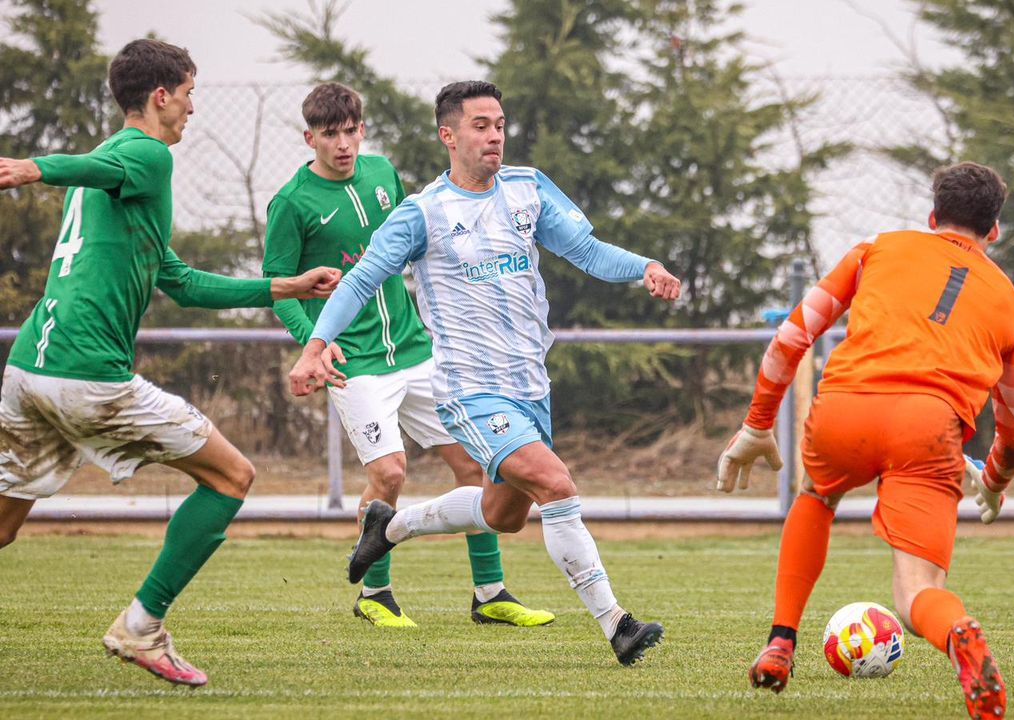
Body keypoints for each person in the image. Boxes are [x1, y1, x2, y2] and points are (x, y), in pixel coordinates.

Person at [288, 80, 682, 666]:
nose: (494, 135)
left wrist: (644, 266)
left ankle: (389, 527)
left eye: (499, 123)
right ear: (448, 135)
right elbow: (362, 278)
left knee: (504, 514)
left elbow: (589, 251)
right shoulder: (422, 213)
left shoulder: (527, 189)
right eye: (480, 125)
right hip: (469, 390)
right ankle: (617, 624)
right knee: (556, 486)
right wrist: (315, 344)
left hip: (530, 386)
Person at [0, 39, 341, 687]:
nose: (192, 107)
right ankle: (140, 628)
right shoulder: (145, 154)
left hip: (29, 369)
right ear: (161, 97)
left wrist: (283, 287)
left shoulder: (113, 160)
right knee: (231, 476)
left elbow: (178, 281)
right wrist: (34, 168)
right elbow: (108, 166)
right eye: (189, 93)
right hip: (84, 374)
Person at [717, 162, 1014, 719]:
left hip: (845, 409)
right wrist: (993, 480)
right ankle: (958, 631)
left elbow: (792, 336)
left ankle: (781, 642)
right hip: (931, 429)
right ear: (995, 231)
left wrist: (757, 423)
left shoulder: (876, 250)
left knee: (816, 495)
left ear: (933, 217)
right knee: (916, 594)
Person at [263, 82, 554, 629]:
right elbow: (276, 288)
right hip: (358, 364)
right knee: (391, 474)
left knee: (474, 463)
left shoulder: (383, 177)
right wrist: (314, 345)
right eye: (330, 135)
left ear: (362, 130)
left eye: (351, 131)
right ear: (310, 138)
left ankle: (490, 594)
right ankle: (376, 593)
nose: (343, 144)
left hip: (419, 351)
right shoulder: (292, 203)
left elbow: (424, 243)